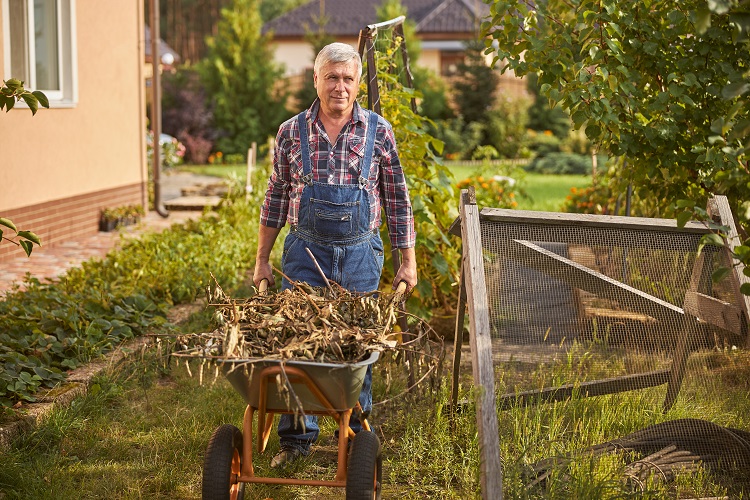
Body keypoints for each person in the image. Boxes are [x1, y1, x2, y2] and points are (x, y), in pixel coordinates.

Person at [253, 42, 417, 468]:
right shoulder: (291, 132)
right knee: (299, 344)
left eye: (347, 79)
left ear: (358, 83)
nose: (339, 87)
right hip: (304, 255)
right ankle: (297, 442)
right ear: (316, 80)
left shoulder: (378, 131)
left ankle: (357, 436)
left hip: (361, 255)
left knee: (356, 348)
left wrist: (408, 259)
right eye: (331, 77)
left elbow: (397, 198)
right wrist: (261, 259)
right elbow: (274, 197)